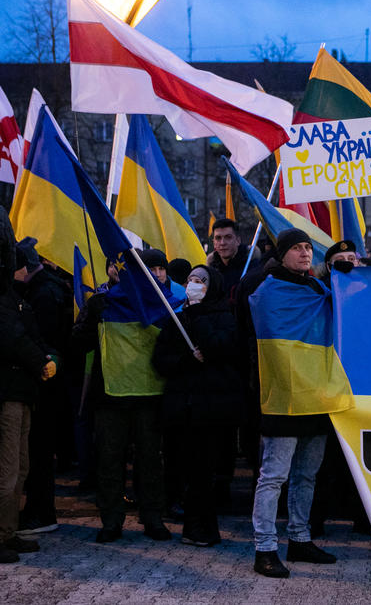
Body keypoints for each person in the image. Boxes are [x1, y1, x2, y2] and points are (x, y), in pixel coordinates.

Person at [244, 229, 336, 578]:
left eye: (307, 248)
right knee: (273, 477)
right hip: (281, 397)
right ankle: (264, 548)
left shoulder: (317, 289)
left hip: (315, 393)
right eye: (296, 248)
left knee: (306, 475)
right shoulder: (266, 291)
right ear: (280, 254)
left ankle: (299, 538)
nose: (304, 253)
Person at [73, 249, 182, 544]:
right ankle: (112, 520)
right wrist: (88, 316)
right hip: (110, 397)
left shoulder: (165, 304)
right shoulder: (100, 304)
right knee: (109, 460)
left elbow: (174, 347)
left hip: (150, 395)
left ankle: (152, 518)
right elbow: (79, 342)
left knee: (150, 461)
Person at [152, 265, 245, 546]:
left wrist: (199, 316)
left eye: (201, 280)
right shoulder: (176, 319)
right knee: (188, 468)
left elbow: (221, 348)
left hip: (214, 408)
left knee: (206, 470)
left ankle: (204, 526)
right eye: (191, 279)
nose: (195, 284)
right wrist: (186, 360)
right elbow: (160, 361)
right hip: (183, 407)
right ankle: (195, 527)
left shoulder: (226, 317)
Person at [0, 208, 58, 563]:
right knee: (7, 471)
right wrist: (42, 360)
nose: (26, 270)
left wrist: (47, 354)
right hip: (8, 394)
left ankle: (8, 531)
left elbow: (32, 337)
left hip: (22, 394)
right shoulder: (5, 302)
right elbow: (15, 339)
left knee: (20, 467)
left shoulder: (16, 299)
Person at [12, 237, 73, 537]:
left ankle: (41, 512)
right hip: (46, 383)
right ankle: (37, 510)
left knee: (38, 452)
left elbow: (44, 342)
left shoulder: (44, 294)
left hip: (46, 384)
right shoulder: (44, 288)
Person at [207, 218, 259, 298]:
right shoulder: (210, 271)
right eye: (218, 238)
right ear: (214, 243)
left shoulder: (253, 268)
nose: (222, 243)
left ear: (238, 240)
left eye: (228, 237)